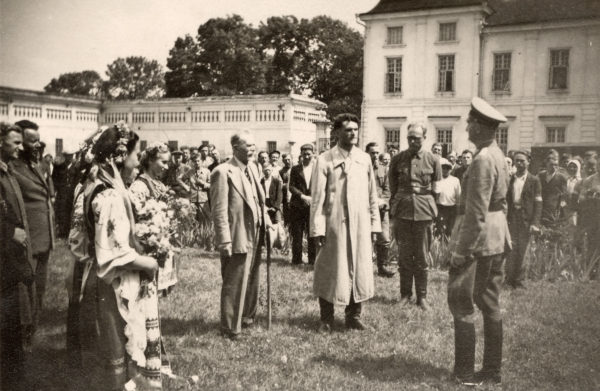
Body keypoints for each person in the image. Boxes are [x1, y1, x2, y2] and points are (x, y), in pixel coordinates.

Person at [78, 123, 164, 390]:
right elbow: (114, 254)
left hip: (97, 280)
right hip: (113, 286)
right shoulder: (111, 196)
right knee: (119, 353)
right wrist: (148, 262)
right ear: (119, 156)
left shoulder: (91, 185)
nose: (138, 164)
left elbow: (79, 241)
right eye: (137, 156)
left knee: (114, 352)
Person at [447, 97, 511, 386]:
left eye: (471, 121)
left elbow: (475, 212)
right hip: (498, 237)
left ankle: (464, 373)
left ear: (481, 126)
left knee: (462, 304)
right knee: (490, 302)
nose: (468, 125)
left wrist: (461, 252)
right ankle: (492, 371)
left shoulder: (483, 158)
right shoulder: (497, 154)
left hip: (480, 240)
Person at [310, 113, 381, 332]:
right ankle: (327, 318)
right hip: (334, 224)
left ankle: (354, 316)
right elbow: (317, 199)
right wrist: (318, 228)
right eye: (348, 130)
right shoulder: (325, 160)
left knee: (359, 267)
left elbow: (372, 195)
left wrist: (374, 225)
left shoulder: (364, 159)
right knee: (330, 268)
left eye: (356, 129)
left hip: (360, 225)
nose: (353, 134)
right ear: (337, 132)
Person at [210, 131, 268, 339]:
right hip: (237, 234)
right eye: (247, 146)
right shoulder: (223, 172)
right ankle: (230, 327)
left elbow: (259, 199)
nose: (252, 149)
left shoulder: (253, 168)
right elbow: (218, 210)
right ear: (235, 148)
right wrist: (224, 239)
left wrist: (266, 221)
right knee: (234, 280)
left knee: (251, 277)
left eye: (254, 145)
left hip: (256, 232)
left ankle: (247, 317)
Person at [389, 123, 441, 310]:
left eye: (416, 138)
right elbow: (393, 188)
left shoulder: (433, 160)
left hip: (424, 212)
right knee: (404, 256)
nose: (412, 141)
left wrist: (432, 210)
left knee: (422, 256)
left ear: (424, 138)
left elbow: (436, 190)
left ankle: (422, 297)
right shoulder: (397, 159)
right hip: (403, 211)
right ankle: (405, 295)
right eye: (410, 137)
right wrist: (395, 210)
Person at [11, 119, 55, 342]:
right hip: (28, 242)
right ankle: (23, 337)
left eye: (38, 140)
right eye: (32, 141)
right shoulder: (12, 168)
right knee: (25, 294)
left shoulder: (35, 165)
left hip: (44, 241)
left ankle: (31, 336)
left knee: (39, 291)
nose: (38, 145)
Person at [0, 122, 35, 390]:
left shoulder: (8, 171)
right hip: (4, 258)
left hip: (13, 259)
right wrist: (11, 232)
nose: (20, 148)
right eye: (15, 143)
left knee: (14, 320)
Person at [130, 142, 178, 294]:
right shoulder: (139, 186)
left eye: (167, 163)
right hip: (145, 245)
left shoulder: (159, 185)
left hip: (160, 242)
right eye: (163, 162)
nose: (166, 167)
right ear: (150, 160)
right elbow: (136, 219)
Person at [505, 151, 542, 289]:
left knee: (523, 250)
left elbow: (538, 203)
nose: (519, 163)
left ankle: (519, 281)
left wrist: (535, 223)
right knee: (511, 248)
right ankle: (509, 279)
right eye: (517, 161)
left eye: (522, 161)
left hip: (526, 219)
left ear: (528, 161)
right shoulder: (511, 179)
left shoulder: (534, 180)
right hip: (512, 217)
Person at [366, 142, 395, 277]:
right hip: (365, 208)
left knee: (384, 238)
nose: (376, 155)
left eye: (377, 153)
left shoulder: (384, 169)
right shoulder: (361, 169)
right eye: (373, 153)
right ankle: (364, 268)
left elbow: (388, 189)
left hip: (382, 208)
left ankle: (382, 267)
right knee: (365, 238)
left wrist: (382, 201)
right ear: (367, 153)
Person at [289, 144, 317, 265]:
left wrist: (313, 198)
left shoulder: (317, 168)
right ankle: (296, 259)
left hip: (313, 205)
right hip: (298, 205)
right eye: (304, 154)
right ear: (301, 154)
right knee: (297, 234)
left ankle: (312, 260)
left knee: (312, 234)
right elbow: (291, 186)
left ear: (313, 154)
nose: (306, 156)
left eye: (308, 154)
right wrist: (302, 196)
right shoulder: (295, 169)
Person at [577, 167, 600, 279]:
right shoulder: (589, 180)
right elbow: (581, 198)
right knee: (593, 244)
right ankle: (592, 273)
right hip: (593, 216)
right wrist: (590, 195)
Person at [538, 149, 567, 226]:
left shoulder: (561, 177)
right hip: (542, 207)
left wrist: (560, 208)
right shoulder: (540, 175)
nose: (554, 167)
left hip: (554, 209)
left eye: (556, 165)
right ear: (546, 164)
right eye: (551, 165)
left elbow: (563, 195)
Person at [435, 158, 461, 239]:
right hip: (440, 207)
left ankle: (447, 247)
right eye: (443, 168)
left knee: (450, 229)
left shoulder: (455, 180)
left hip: (451, 208)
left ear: (451, 169)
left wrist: (457, 207)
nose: (445, 170)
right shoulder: (438, 179)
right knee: (439, 229)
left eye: (448, 168)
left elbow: (458, 195)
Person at [182, 153, 211, 222]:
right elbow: (181, 179)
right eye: (195, 161)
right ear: (192, 162)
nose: (197, 163)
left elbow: (211, 185)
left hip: (203, 200)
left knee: (205, 219)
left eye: (198, 161)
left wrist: (202, 184)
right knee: (193, 219)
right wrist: (186, 187)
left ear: (202, 161)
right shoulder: (190, 172)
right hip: (193, 199)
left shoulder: (207, 172)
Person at [278, 153, 293, 226]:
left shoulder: (296, 169)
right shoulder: (281, 171)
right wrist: (284, 185)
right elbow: (280, 183)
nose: (287, 161)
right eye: (285, 160)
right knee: (286, 216)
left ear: (292, 159)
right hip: (286, 196)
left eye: (289, 159)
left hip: (295, 196)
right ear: (283, 161)